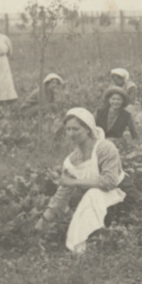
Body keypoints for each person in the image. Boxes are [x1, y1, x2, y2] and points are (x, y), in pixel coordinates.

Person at [34, 108, 127, 253]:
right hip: (97, 202)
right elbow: (62, 195)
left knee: (93, 194)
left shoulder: (105, 148)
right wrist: (44, 221)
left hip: (122, 196)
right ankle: (83, 245)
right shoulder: (71, 160)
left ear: (88, 129)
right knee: (90, 195)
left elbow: (110, 182)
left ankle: (79, 246)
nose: (71, 134)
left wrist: (75, 182)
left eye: (76, 129)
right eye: (68, 129)